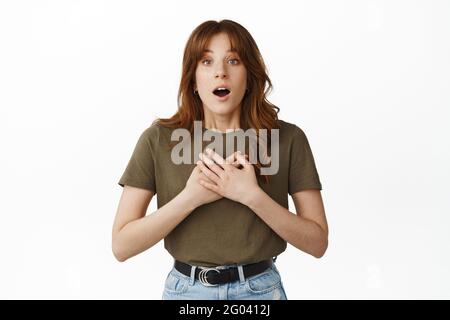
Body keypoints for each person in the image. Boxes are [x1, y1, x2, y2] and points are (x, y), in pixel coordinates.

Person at [112, 19, 328, 300]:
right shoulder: (158, 140)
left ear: (250, 74)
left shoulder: (287, 138)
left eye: (233, 61)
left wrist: (251, 195)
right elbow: (122, 245)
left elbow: (317, 242)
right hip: (185, 293)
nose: (220, 73)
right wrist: (191, 197)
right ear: (192, 78)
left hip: (260, 292)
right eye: (206, 62)